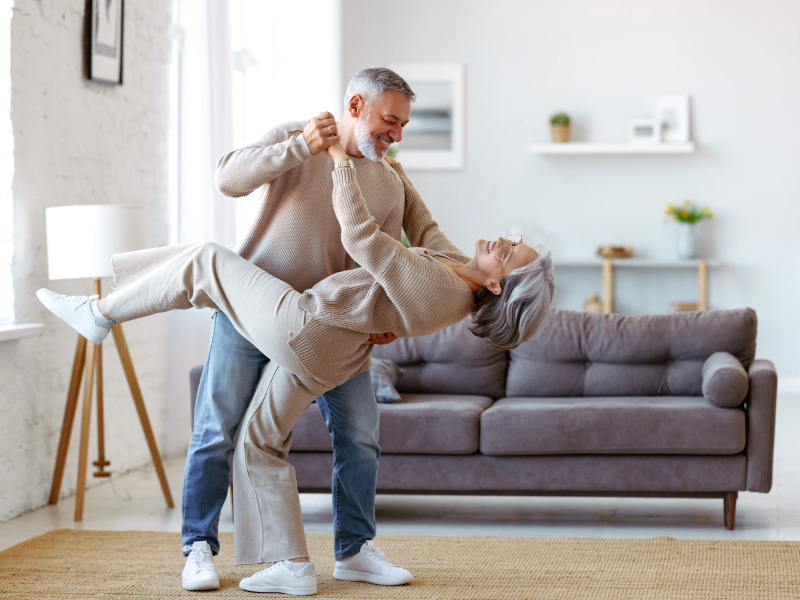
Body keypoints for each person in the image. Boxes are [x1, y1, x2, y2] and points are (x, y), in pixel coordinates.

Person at [37, 140, 555, 595]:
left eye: (509, 254)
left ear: (496, 286)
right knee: (258, 439)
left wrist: (336, 159)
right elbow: (425, 224)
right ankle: (295, 564)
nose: (501, 242)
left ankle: (100, 312)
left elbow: (363, 240)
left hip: (305, 326)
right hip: (335, 346)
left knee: (207, 261)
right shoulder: (456, 269)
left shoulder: (440, 289)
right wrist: (394, 171)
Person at [176, 67, 462, 591]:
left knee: (359, 435)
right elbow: (226, 179)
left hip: (332, 330)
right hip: (250, 314)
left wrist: (395, 314)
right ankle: (199, 547)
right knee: (216, 429)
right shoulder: (297, 136)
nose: (396, 135)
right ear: (355, 106)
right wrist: (300, 147)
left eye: (402, 126)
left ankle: (354, 550)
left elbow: (417, 255)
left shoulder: (391, 177)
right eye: (389, 121)